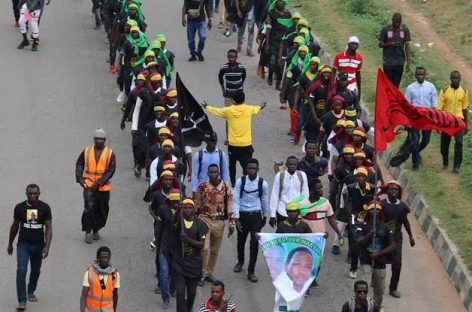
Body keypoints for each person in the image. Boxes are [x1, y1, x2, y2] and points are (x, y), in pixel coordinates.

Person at [203, 90, 266, 185]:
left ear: (234, 101)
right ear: (244, 100)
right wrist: (261, 106)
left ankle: (232, 184)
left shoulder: (228, 111)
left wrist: (207, 106)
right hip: (246, 144)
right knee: (246, 166)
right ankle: (246, 184)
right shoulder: (249, 109)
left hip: (233, 145)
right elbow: (257, 109)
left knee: (232, 165)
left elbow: (216, 111)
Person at [7, 184, 52, 311]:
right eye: (30, 193)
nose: (32, 196)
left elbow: (48, 227)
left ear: (39, 194)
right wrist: (10, 243)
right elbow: (15, 226)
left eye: (35, 193)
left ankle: (31, 290)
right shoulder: (20, 208)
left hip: (38, 245)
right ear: (26, 194)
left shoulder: (45, 208)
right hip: (23, 245)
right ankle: (22, 300)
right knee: (21, 270)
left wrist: (47, 246)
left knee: (36, 270)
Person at [195, 164, 235, 286]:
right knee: (204, 248)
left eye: (215, 172)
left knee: (214, 251)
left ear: (218, 173)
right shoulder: (202, 187)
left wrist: (231, 223)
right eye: (211, 172)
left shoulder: (226, 188)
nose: (213, 174)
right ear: (207, 173)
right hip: (204, 220)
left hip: (219, 222)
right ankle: (202, 273)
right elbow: (197, 204)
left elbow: (230, 205)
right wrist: (194, 221)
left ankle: (208, 273)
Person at [76, 129, 116, 244]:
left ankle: (96, 229)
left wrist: (100, 182)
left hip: (103, 188)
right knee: (89, 208)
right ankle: (88, 231)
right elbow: (79, 163)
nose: (99, 141)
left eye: (101, 139)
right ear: (94, 139)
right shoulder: (87, 151)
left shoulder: (109, 153)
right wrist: (79, 178)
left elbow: (111, 170)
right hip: (89, 185)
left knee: (102, 210)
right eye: (97, 139)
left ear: (105, 140)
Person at [233, 158, 269, 283]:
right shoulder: (240, 181)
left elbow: (264, 200)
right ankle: (240, 261)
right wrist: (236, 217)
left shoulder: (262, 183)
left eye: (254, 168)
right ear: (246, 169)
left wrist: (265, 215)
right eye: (249, 168)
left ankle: (251, 271)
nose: (251, 171)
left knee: (254, 244)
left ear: (258, 169)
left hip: (256, 216)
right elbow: (236, 199)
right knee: (241, 241)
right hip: (242, 216)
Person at [171, 198, 209, 312]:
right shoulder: (179, 222)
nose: (187, 210)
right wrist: (178, 209)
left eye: (190, 208)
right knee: (180, 293)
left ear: (194, 210)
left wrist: (187, 239)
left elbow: (201, 245)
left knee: (191, 295)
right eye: (185, 208)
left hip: (194, 265)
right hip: (179, 264)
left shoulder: (200, 224)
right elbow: (173, 220)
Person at [356, 201, 395, 309]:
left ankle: (377, 307)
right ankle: (362, 306)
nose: (374, 211)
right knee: (363, 286)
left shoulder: (385, 227)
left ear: (380, 211)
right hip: (366, 261)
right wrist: (368, 235)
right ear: (368, 211)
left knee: (379, 289)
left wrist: (380, 253)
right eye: (372, 209)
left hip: (380, 262)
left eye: (377, 209)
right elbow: (359, 242)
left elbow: (392, 245)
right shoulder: (362, 225)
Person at [380, 181, 415, 298]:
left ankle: (393, 288)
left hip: (396, 238)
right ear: (387, 191)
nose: (394, 192)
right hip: (383, 237)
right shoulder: (382, 204)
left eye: (396, 190)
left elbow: (405, 221)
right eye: (391, 189)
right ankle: (377, 283)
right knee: (379, 261)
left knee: (397, 263)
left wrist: (410, 236)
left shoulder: (402, 206)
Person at [404, 66, 438, 170]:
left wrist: (433, 117)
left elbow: (434, 103)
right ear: (415, 75)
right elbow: (407, 105)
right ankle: (415, 165)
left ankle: (416, 151)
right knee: (415, 141)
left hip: (427, 118)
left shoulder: (430, 87)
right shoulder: (410, 88)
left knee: (426, 140)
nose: (420, 76)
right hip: (415, 118)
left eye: (422, 74)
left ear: (425, 75)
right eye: (418, 74)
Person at [437, 70, 469, 173]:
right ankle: (445, 162)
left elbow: (464, 109)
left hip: (459, 121)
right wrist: (438, 124)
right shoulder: (444, 90)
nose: (455, 79)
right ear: (450, 79)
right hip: (447, 121)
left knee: (459, 142)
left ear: (460, 79)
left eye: (457, 78)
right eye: (453, 78)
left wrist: (466, 124)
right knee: (444, 145)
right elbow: (439, 108)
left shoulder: (464, 91)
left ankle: (456, 166)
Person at [269, 156, 309, 227]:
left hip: (297, 212)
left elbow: (305, 194)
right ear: (286, 164)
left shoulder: (302, 175)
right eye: (290, 164)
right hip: (282, 211)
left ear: (297, 165)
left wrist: (303, 211)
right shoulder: (280, 176)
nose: (292, 166)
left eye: (294, 164)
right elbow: (274, 195)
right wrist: (272, 215)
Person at [80, 246, 120, 312]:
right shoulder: (89, 273)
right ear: (98, 258)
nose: (105, 259)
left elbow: (115, 295)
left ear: (110, 257)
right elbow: (84, 295)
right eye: (103, 257)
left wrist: (114, 310)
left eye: (107, 257)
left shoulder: (115, 274)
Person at [378, 12, 411, 87]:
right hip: (388, 62)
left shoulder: (405, 30)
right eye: (395, 22)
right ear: (392, 20)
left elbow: (407, 46)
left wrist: (408, 62)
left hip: (400, 62)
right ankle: (388, 98)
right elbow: (380, 44)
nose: (397, 24)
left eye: (399, 22)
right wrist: (390, 44)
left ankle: (394, 98)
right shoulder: (386, 29)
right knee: (388, 84)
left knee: (396, 85)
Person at [265, 0, 291, 90]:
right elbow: (268, 28)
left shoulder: (288, 15)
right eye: (278, 1)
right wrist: (267, 43)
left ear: (284, 3)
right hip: (273, 41)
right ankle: (270, 76)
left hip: (284, 43)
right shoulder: (271, 13)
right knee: (272, 62)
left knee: (281, 64)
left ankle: (278, 83)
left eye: (281, 1)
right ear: (275, 3)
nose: (280, 3)